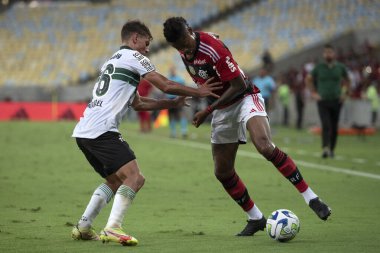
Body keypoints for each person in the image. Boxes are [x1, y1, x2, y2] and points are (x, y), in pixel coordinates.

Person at [163, 16, 331, 237]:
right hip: (222, 108)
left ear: (190, 31)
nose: (184, 48)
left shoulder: (213, 49)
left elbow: (239, 84)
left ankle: (312, 198)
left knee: (264, 146)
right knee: (222, 172)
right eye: (179, 46)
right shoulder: (184, 48)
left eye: (185, 41)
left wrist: (208, 109)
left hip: (244, 98)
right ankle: (256, 218)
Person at [71, 20, 221, 246]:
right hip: (102, 130)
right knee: (135, 177)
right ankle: (113, 228)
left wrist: (172, 105)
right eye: (146, 43)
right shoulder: (135, 57)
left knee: (113, 181)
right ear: (134, 39)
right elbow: (166, 84)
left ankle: (83, 226)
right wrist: (198, 91)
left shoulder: (111, 61)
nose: (148, 49)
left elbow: (138, 104)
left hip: (85, 131)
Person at [306, 44, 349, 158]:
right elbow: (308, 79)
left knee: (334, 126)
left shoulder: (340, 67)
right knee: (326, 124)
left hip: (336, 100)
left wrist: (345, 94)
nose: (328, 54)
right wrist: (314, 93)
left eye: (330, 52)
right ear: (323, 54)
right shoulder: (319, 67)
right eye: (326, 52)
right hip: (323, 100)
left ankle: (332, 149)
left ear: (334, 54)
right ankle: (325, 148)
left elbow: (348, 80)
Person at [166, 66, 189, 138]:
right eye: (171, 70)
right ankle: (173, 132)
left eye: (173, 70)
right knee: (171, 116)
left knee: (181, 114)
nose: (172, 71)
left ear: (175, 70)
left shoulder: (179, 79)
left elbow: (184, 88)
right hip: (170, 99)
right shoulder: (167, 79)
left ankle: (184, 131)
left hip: (177, 98)